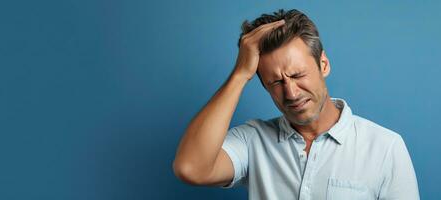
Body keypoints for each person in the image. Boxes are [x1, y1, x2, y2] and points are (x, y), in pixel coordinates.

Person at [172, 9, 419, 200]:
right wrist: (240, 75)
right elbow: (191, 168)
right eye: (276, 82)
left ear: (323, 65)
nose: (291, 93)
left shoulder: (386, 148)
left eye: (298, 75)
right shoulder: (253, 141)